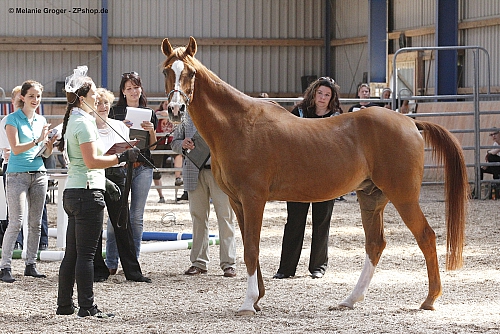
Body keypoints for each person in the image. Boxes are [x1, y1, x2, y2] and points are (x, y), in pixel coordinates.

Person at [55, 66, 140, 317]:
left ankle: (64, 305)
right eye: (93, 95)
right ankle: (87, 306)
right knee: (87, 256)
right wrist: (120, 159)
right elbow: (92, 161)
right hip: (88, 192)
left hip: (74, 191)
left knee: (72, 253)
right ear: (82, 98)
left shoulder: (73, 120)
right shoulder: (85, 122)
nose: (97, 98)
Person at [273, 77, 342, 280]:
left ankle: (318, 267)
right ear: (313, 93)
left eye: (327, 95)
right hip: (298, 176)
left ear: (332, 98)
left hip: (326, 176)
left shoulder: (337, 117)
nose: (322, 98)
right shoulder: (298, 113)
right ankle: (286, 268)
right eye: (320, 93)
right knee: (294, 221)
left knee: (322, 221)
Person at [92, 87, 151, 283]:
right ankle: (98, 270)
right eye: (98, 103)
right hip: (96, 174)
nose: (102, 106)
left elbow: (130, 150)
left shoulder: (119, 125)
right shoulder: (88, 126)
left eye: (105, 103)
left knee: (122, 224)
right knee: (95, 225)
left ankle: (133, 272)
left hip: (117, 175)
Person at [0, 80, 55, 283]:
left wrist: (48, 144)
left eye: (38, 96)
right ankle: (5, 265)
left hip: (39, 173)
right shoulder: (12, 119)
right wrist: (38, 140)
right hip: (17, 175)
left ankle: (30, 264)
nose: (35, 100)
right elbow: (15, 148)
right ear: (22, 97)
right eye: (31, 96)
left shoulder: (41, 120)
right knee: (16, 222)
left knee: (35, 223)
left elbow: (46, 152)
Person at [171, 111, 237, 277]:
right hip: (194, 170)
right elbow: (174, 143)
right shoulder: (185, 114)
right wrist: (183, 145)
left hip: (219, 171)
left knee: (226, 216)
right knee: (198, 217)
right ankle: (199, 262)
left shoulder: (220, 111)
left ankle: (229, 263)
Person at [107, 71, 157, 268]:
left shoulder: (149, 112)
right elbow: (108, 141)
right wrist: (120, 127)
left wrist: (152, 130)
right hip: (120, 167)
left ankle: (133, 261)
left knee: (136, 216)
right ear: (123, 91)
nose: (133, 91)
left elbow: (152, 147)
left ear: (141, 89)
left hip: (142, 166)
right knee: (116, 215)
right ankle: (111, 261)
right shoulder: (114, 112)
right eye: (129, 88)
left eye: (136, 87)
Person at [154, 100, 184, 203]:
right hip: (159, 142)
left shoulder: (176, 114)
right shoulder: (157, 112)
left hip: (170, 141)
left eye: (169, 104)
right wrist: (163, 113)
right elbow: (157, 113)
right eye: (165, 104)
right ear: (162, 104)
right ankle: (161, 196)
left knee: (178, 154)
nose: (167, 106)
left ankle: (178, 177)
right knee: (156, 169)